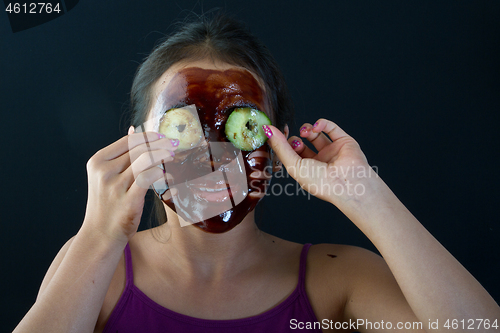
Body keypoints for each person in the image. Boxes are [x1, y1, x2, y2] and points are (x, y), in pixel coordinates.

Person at [14, 14, 499, 333]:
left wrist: (365, 193)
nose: (212, 154)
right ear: (140, 142)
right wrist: (99, 236)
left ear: (279, 140)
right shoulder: (99, 270)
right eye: (182, 127)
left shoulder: (336, 280)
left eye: (241, 125)